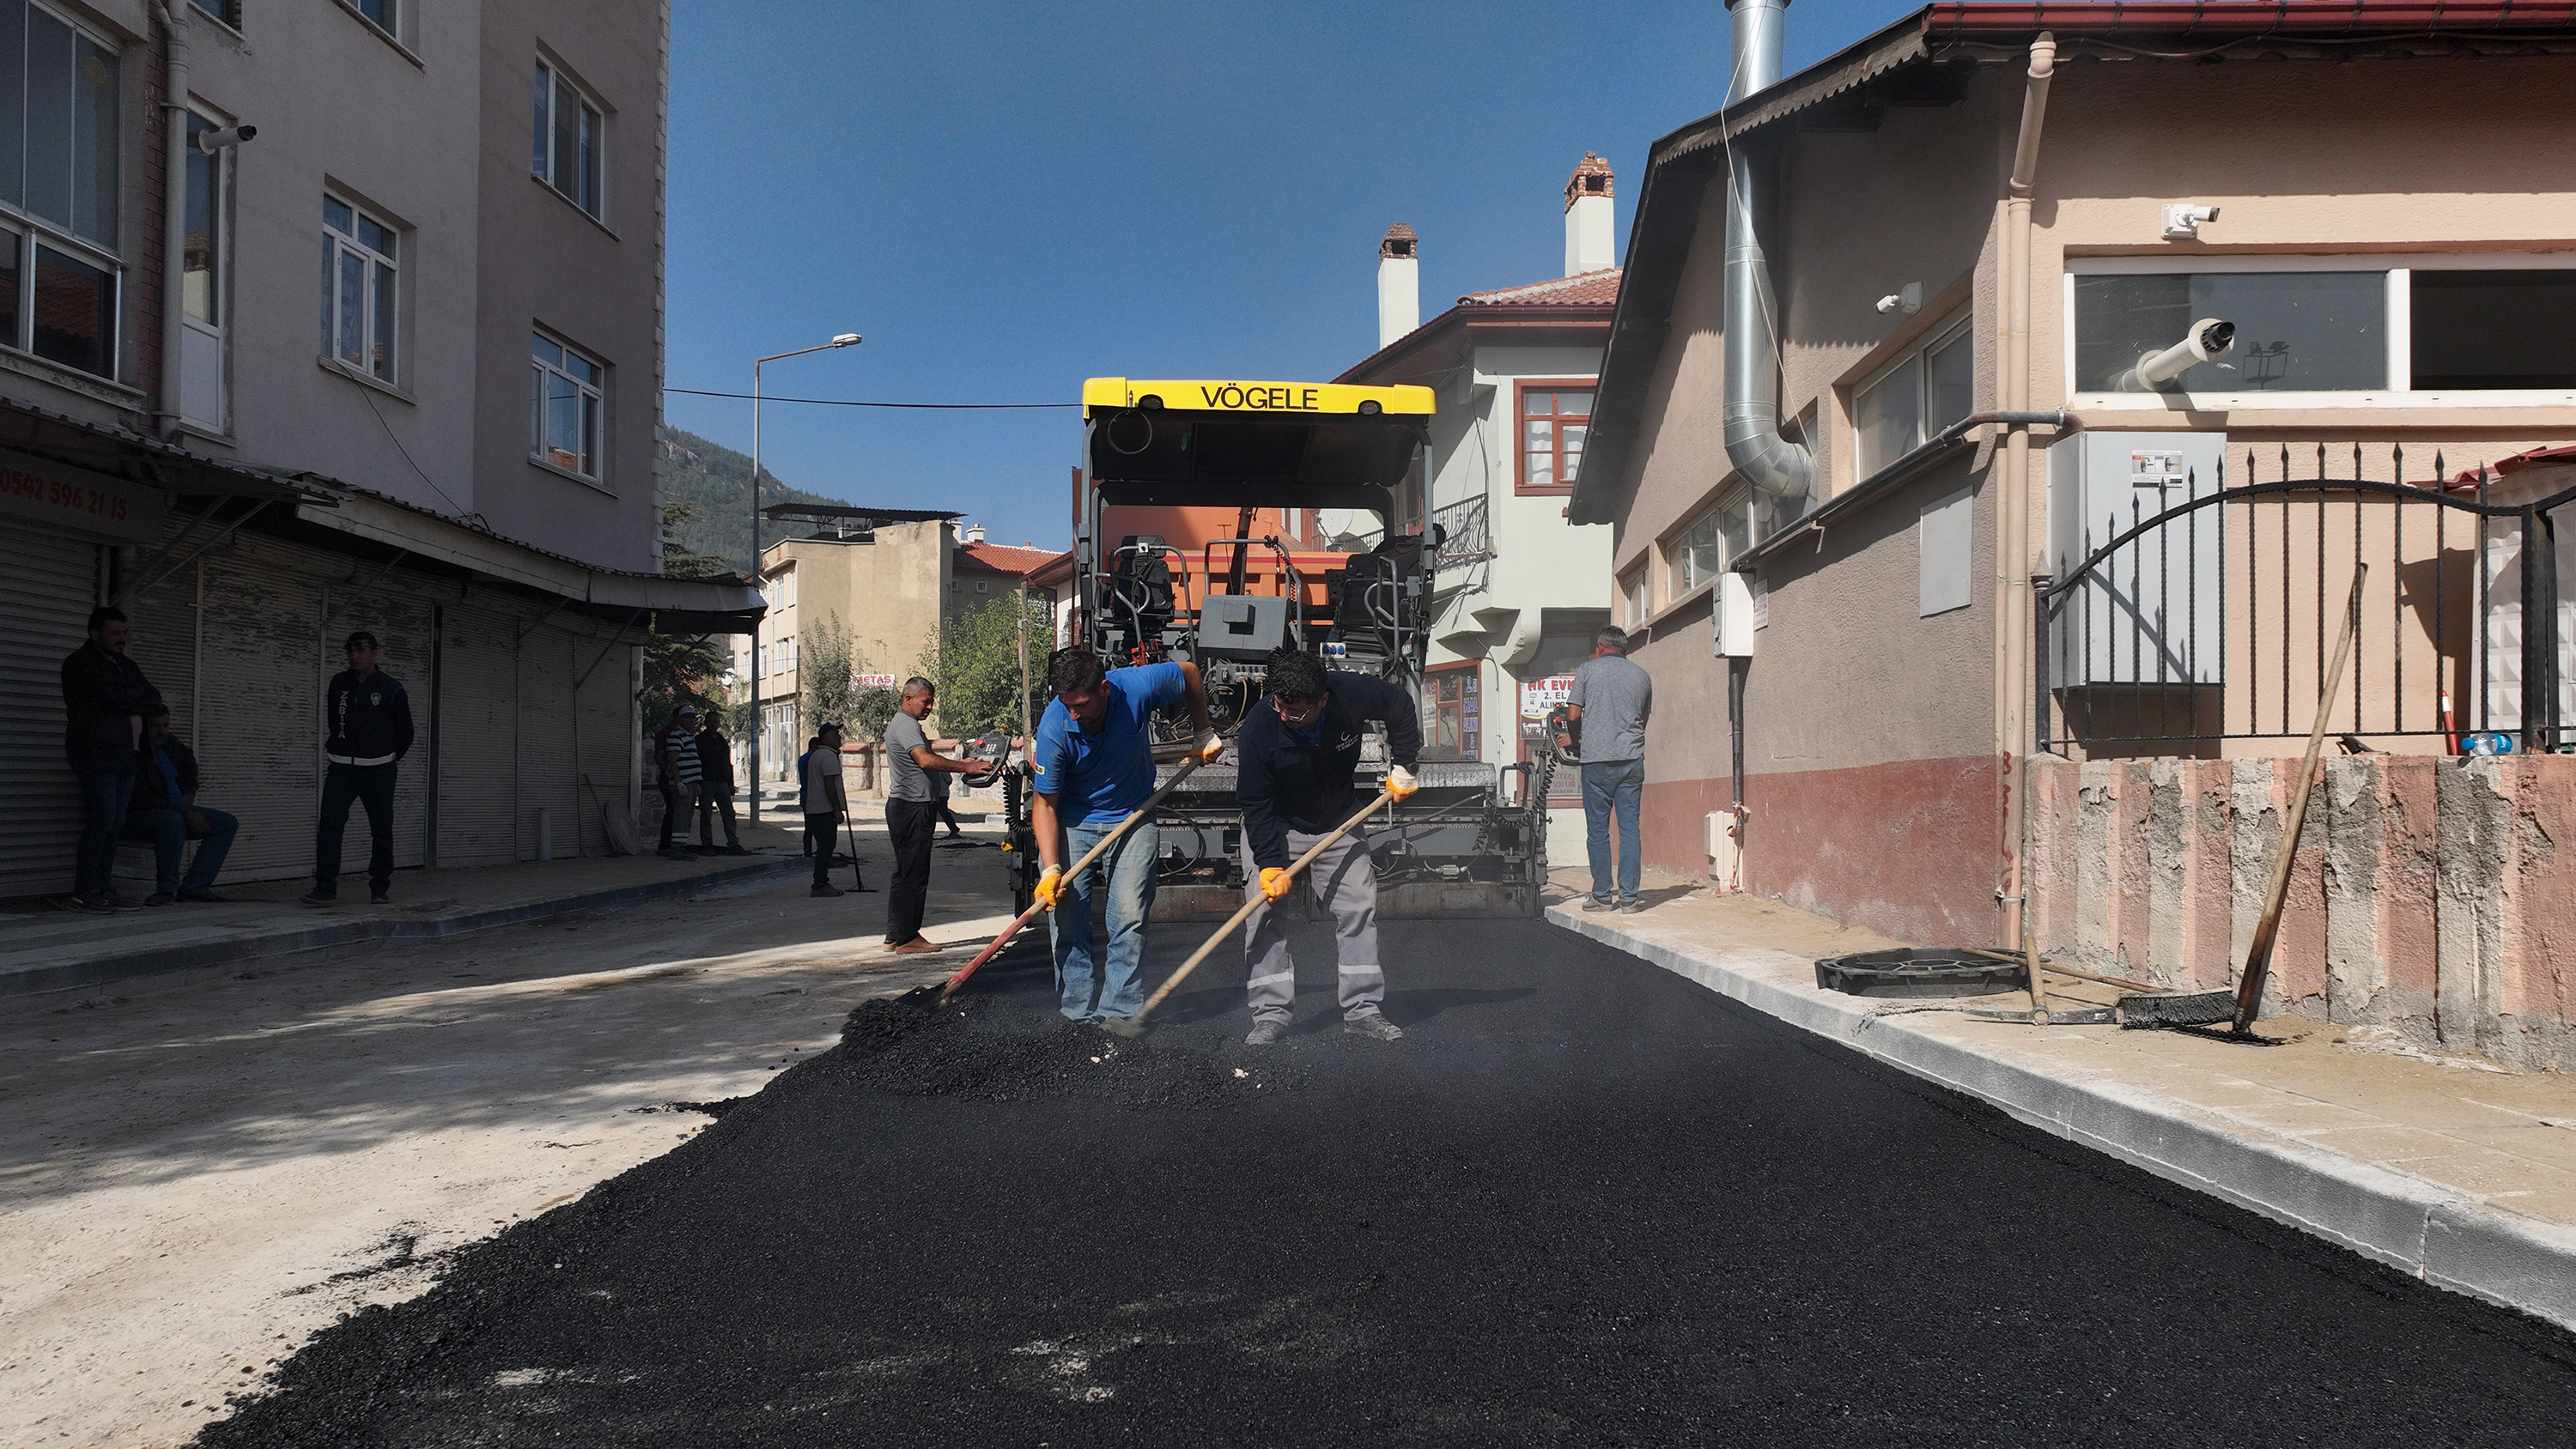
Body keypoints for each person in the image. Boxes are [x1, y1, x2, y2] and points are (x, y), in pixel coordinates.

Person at [1235, 646, 1421, 1046]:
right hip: (1277, 825)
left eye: (1298, 711)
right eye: (1281, 707)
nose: (1286, 716)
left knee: (1358, 908)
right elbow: (1255, 802)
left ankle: (1363, 1011)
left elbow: (1401, 704)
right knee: (1263, 915)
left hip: (1338, 820)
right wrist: (1269, 863)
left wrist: (1405, 764)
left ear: (1323, 699)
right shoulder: (1259, 729)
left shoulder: (1350, 693)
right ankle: (1270, 1015)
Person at [1029, 649, 1219, 1022]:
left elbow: (1191, 673)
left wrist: (1204, 731)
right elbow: (1045, 805)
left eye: (1081, 704)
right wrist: (1051, 869)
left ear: (1104, 689)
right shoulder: (1054, 726)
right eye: (1066, 704)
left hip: (1134, 815)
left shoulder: (1135, 686)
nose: (1074, 714)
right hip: (1072, 821)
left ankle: (1119, 1011)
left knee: (1129, 918)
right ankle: (1076, 1014)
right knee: (1067, 921)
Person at [59, 605, 163, 912]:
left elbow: (154, 698)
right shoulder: (79, 664)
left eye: (125, 632)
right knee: (101, 819)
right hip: (95, 752)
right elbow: (112, 697)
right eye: (115, 632)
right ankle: (86, 889)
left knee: (115, 823)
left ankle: (104, 887)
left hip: (126, 755)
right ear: (95, 633)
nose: (123, 638)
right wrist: (131, 697)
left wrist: (129, 696)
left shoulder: (125, 665)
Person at [304, 631, 415, 906]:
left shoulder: (392, 688)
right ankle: (325, 888)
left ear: (374, 653)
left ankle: (379, 888)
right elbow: (334, 720)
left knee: (381, 829)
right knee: (330, 825)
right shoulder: (338, 683)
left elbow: (406, 732)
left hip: (379, 771)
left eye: (361, 650)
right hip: (341, 770)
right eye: (350, 650)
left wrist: (386, 757)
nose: (354, 655)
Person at [883, 680, 983, 949]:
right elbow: (924, 760)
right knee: (914, 873)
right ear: (908, 698)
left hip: (907, 805)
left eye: (931, 701)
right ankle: (907, 938)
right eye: (925, 701)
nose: (929, 707)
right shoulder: (905, 724)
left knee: (905, 872)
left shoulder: (906, 725)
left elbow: (925, 754)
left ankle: (895, 935)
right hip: (912, 807)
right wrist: (965, 767)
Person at [1559, 624, 1652, 913]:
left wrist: (1575, 737)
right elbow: (1643, 719)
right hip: (1631, 761)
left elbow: (1573, 714)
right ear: (1626, 649)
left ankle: (1601, 896)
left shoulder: (1588, 670)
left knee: (1598, 832)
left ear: (1600, 648)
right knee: (1630, 830)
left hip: (1596, 762)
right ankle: (1629, 899)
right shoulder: (1642, 675)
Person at [126, 705, 239, 905]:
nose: (161, 731)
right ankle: (167, 889)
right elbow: (142, 798)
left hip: (177, 810)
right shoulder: (135, 752)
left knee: (226, 823)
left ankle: (195, 887)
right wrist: (184, 812)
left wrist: (189, 795)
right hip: (141, 816)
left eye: (165, 725)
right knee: (172, 820)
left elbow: (189, 767)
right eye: (155, 726)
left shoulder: (171, 746)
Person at [801, 722, 852, 897]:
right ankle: (820, 884)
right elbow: (829, 785)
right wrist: (837, 809)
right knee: (826, 848)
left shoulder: (816, 755)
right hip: (824, 809)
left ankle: (820, 882)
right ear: (826, 738)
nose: (839, 737)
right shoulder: (829, 757)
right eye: (835, 734)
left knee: (823, 847)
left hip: (813, 808)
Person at [653, 704, 702, 860]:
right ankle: (676, 849)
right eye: (687, 718)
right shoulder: (676, 736)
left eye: (693, 718)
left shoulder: (689, 736)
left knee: (687, 816)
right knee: (681, 817)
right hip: (683, 783)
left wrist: (697, 783)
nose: (691, 721)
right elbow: (672, 761)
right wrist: (678, 782)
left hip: (691, 782)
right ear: (680, 719)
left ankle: (681, 846)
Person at [695, 711, 746, 855]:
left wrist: (731, 783)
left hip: (722, 782)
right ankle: (707, 845)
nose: (713, 724)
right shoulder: (700, 740)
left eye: (716, 722)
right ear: (705, 723)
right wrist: (698, 782)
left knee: (729, 813)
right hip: (706, 781)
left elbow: (727, 762)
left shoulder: (721, 740)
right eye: (711, 721)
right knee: (706, 814)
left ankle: (733, 843)